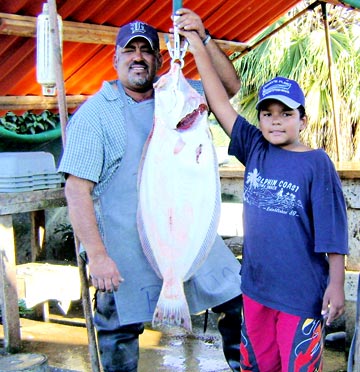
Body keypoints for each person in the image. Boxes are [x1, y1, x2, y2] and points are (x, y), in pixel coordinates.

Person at [58, 9, 243, 372]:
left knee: (239, 300)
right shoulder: (95, 115)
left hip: (187, 237)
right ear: (114, 59)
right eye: (130, 50)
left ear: (160, 59)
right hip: (125, 247)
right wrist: (97, 256)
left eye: (147, 50)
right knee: (118, 334)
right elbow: (76, 191)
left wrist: (201, 38)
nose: (139, 57)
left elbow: (230, 87)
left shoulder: (177, 95)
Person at [179, 28, 349, 371]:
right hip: (255, 290)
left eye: (286, 113)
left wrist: (337, 283)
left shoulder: (316, 163)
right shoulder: (254, 147)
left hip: (300, 297)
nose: (276, 121)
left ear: (303, 119)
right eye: (268, 113)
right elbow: (219, 103)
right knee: (257, 367)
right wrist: (197, 45)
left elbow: (332, 231)